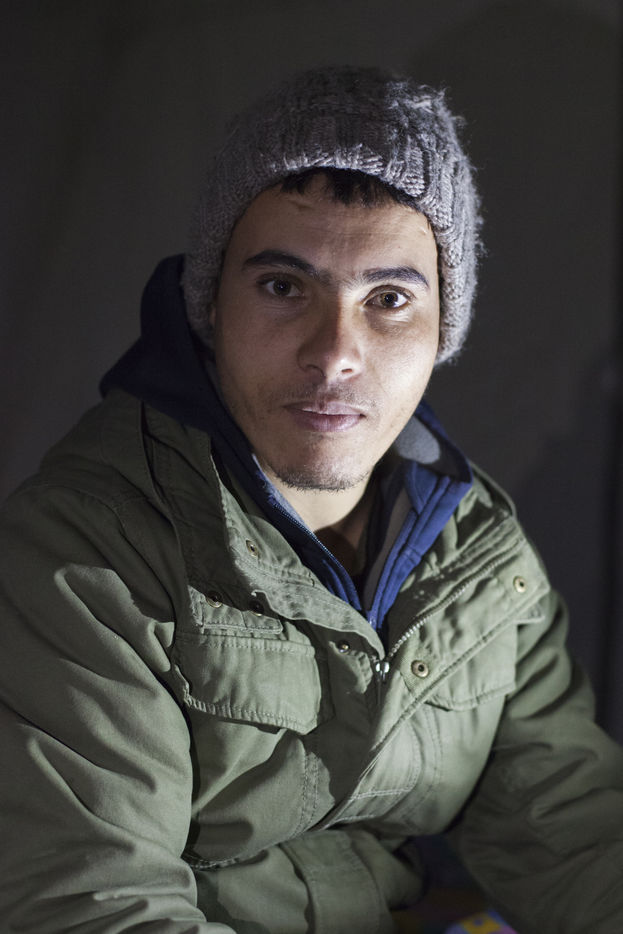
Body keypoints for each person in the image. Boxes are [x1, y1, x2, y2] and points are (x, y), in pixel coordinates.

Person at [0, 65, 621, 934]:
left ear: (442, 329)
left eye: (388, 299)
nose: (334, 353)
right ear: (210, 304)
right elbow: (89, 907)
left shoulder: (474, 548)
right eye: (284, 287)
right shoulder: (88, 551)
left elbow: (567, 831)